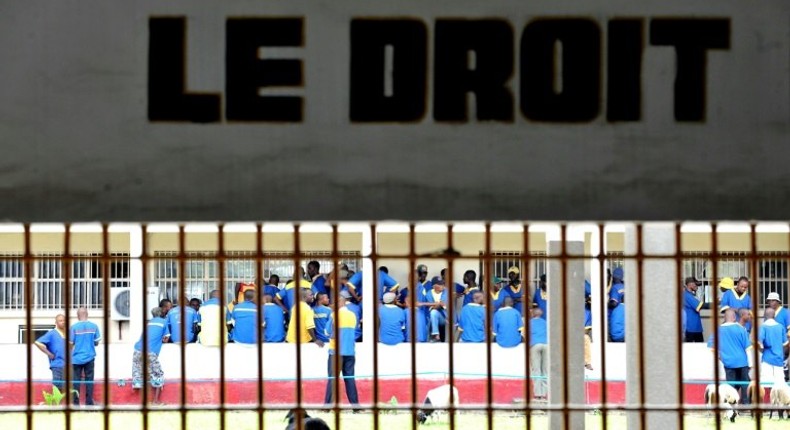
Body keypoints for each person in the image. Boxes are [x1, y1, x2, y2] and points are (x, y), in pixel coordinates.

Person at [324, 293, 359, 407]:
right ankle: (356, 406)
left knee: (332, 379)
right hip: (350, 351)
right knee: (350, 379)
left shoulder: (334, 315)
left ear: (340, 302)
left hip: (336, 352)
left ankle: (327, 407)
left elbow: (327, 332)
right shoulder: (353, 315)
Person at [132, 307, 170, 403]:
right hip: (150, 351)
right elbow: (166, 339)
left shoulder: (148, 323)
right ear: (162, 314)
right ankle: (155, 401)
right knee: (158, 374)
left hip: (137, 350)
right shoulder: (164, 322)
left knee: (139, 374)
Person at [718, 308, 751, 404]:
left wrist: (722, 358)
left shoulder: (719, 330)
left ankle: (732, 404)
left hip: (728, 363)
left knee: (731, 385)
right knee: (745, 383)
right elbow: (748, 348)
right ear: (734, 317)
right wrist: (751, 364)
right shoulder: (741, 329)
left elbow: (713, 348)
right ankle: (746, 404)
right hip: (742, 361)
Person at [70, 308, 101, 406]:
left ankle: (75, 404)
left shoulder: (74, 327)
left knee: (76, 381)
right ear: (87, 314)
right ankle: (89, 404)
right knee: (89, 381)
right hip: (90, 357)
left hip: (76, 359)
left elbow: (70, 343)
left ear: (77, 315)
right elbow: (96, 342)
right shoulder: (94, 326)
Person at [757, 307, 789, 387]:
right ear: (774, 316)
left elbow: (760, 344)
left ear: (764, 316)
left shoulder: (763, 327)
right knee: (780, 384)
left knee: (766, 384)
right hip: (779, 359)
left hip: (767, 359)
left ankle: (768, 400)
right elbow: (786, 344)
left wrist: (762, 350)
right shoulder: (780, 327)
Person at [35, 314, 67, 392]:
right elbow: (38, 343)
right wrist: (49, 354)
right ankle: (57, 404)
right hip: (57, 365)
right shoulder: (52, 333)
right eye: (60, 320)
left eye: (64, 320)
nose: (63, 322)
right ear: (56, 322)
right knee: (57, 387)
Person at [529, 308, 548, 400]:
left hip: (535, 345)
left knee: (536, 370)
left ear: (532, 314)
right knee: (545, 370)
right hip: (546, 345)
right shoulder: (545, 322)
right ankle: (544, 394)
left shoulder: (529, 322)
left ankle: (537, 394)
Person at [682, 276, 708, 342]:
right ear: (690, 284)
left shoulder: (691, 295)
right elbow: (699, 306)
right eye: (696, 284)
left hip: (696, 328)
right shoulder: (686, 295)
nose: (697, 286)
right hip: (690, 328)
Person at [424, 276, 448, 342]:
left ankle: (436, 334)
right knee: (433, 312)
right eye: (440, 284)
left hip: (444, 317)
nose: (443, 285)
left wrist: (436, 304)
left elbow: (441, 306)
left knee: (434, 312)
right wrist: (438, 304)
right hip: (432, 318)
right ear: (434, 286)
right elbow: (432, 307)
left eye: (443, 283)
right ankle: (436, 334)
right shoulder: (429, 293)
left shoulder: (446, 292)